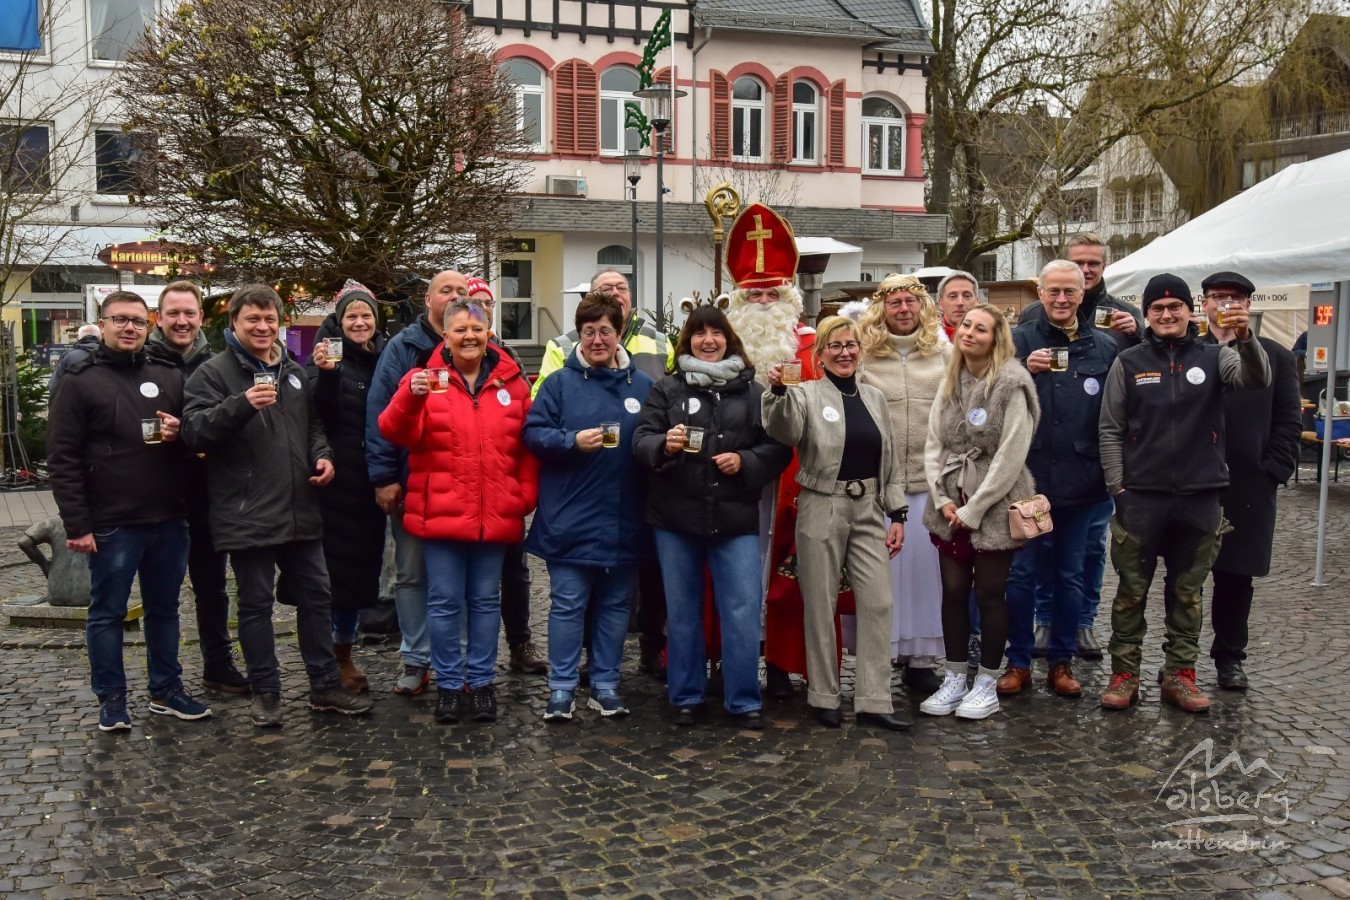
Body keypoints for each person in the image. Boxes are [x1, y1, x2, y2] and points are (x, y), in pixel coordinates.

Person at [184, 283, 373, 727]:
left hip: (299, 506)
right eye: (253, 319)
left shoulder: (292, 370)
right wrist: (241, 405)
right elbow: (194, 432)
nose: (263, 327)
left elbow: (312, 426)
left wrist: (323, 456)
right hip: (246, 510)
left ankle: (324, 686)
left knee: (318, 597)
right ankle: (266, 692)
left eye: (270, 319)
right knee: (255, 605)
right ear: (234, 322)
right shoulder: (212, 373)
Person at [1097, 273, 1270, 713]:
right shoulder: (1129, 362)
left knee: (1188, 593)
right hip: (1140, 497)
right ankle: (1125, 673)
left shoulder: (1216, 356)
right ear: (1147, 314)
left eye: (1175, 307)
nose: (1167, 314)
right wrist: (1118, 485)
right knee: (1130, 592)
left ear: (1190, 311)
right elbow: (1111, 428)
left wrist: (1246, 337)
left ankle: (1180, 674)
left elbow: (1255, 379)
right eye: (1157, 308)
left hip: (1200, 495)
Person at [47, 290, 210, 732]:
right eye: (119, 319)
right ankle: (112, 698)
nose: (129, 328)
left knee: (165, 609)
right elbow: (62, 458)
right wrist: (77, 524)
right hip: (112, 521)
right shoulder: (79, 379)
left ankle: (166, 690)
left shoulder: (168, 373)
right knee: (107, 613)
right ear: (102, 324)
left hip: (169, 517)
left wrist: (182, 432)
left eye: (138, 321)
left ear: (148, 325)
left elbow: (197, 437)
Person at [379, 298, 538, 724]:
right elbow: (393, 430)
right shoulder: (423, 380)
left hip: (496, 513)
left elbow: (526, 447)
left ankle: (481, 682)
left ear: (489, 334)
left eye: (477, 329)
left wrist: (524, 496)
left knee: (485, 602)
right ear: (445, 336)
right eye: (461, 329)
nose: (470, 336)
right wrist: (409, 398)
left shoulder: (512, 382)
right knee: (445, 602)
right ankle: (450, 684)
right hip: (441, 514)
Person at [633, 304, 792, 729]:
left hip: (734, 518)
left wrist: (746, 461)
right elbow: (641, 440)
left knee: (741, 609)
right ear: (688, 340)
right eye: (699, 333)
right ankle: (687, 696)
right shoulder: (667, 389)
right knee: (683, 610)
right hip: (675, 517)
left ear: (728, 340)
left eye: (716, 333)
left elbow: (778, 447)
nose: (708, 340)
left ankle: (743, 699)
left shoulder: (753, 392)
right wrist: (663, 445)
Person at [762, 316, 910, 731]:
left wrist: (897, 512)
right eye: (835, 345)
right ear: (820, 354)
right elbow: (784, 430)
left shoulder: (874, 397)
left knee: (878, 602)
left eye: (851, 345)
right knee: (820, 603)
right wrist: (778, 391)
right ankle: (824, 695)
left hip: (868, 508)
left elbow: (890, 459)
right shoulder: (805, 394)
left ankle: (874, 699)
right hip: (821, 504)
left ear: (860, 350)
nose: (845, 352)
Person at [1159, 271, 1300, 691]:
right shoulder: (1187, 351)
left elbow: (1289, 420)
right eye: (1217, 296)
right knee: (1183, 574)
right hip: (1191, 481)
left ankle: (1230, 656)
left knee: (1236, 576)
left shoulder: (1275, 355)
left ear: (1248, 305)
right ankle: (1179, 656)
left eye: (1235, 297)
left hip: (1248, 483)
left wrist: (1272, 470)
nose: (1226, 303)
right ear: (1203, 303)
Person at [533, 269, 673, 678]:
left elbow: (656, 432)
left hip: (627, 513)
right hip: (572, 514)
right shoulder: (559, 380)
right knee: (569, 602)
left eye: (605, 332)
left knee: (617, 603)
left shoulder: (643, 382)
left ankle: (607, 679)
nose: (597, 340)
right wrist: (571, 441)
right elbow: (534, 432)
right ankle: (563, 683)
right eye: (589, 332)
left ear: (618, 333)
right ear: (579, 334)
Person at [1019, 233, 1141, 661]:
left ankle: (1083, 623)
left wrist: (1138, 335)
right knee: (1039, 550)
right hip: (1039, 462)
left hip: (1090, 463)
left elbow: (1133, 385)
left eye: (1093, 265)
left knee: (1088, 549)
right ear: (1043, 290)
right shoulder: (1029, 322)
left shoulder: (1121, 318)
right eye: (1079, 263)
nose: (1086, 271)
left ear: (1101, 270)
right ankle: (1044, 618)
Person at [1001, 261, 1118, 700]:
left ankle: (1061, 662)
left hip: (1079, 482)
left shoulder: (1104, 346)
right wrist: (1021, 371)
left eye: (1070, 291)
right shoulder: (1016, 342)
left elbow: (1115, 415)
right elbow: (986, 399)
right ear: (1041, 292)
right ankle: (1018, 661)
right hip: (1029, 482)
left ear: (1083, 293)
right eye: (1054, 291)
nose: (1062, 299)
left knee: (1070, 575)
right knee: (1022, 575)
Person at [721, 202, 822, 699]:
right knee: (734, 565)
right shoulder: (717, 345)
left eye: (771, 293)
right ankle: (729, 656)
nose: (762, 302)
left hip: (791, 475)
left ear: (788, 297)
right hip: (734, 474)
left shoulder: (810, 345)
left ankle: (782, 662)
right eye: (753, 294)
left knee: (785, 564)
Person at [919, 304, 1039, 721]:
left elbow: (1012, 452)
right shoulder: (951, 378)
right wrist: (941, 498)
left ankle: (986, 681)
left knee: (989, 593)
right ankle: (954, 676)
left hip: (995, 502)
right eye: (966, 325)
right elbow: (934, 443)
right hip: (951, 498)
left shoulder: (1012, 382)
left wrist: (977, 507)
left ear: (996, 338)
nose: (969, 333)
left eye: (980, 329)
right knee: (953, 591)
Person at [145, 280, 250, 695]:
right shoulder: (141, 362)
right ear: (159, 318)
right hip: (159, 494)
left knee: (213, 587)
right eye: (173, 313)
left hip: (210, 493)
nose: (182, 321)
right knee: (162, 594)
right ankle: (164, 678)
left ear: (201, 318)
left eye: (189, 313)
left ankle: (218, 666)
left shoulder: (218, 364)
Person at [366, 270, 468, 696]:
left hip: (462, 485)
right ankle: (416, 657)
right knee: (410, 575)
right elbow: (380, 413)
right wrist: (384, 477)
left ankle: (458, 660)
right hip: (411, 483)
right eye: (446, 290)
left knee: (459, 578)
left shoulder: (479, 342)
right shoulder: (403, 347)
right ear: (428, 299)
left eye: (462, 291)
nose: (455, 296)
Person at [857, 274, 951, 695]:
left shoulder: (943, 354)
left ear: (923, 307)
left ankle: (921, 659)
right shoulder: (864, 355)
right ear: (882, 308)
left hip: (929, 482)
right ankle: (878, 653)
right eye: (894, 302)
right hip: (882, 486)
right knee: (881, 575)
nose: (904, 309)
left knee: (925, 577)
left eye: (911, 301)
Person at [308, 279, 388, 693]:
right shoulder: (325, 354)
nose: (359, 322)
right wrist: (327, 374)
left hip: (371, 479)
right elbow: (319, 412)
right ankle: (329, 657)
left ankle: (344, 649)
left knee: (361, 574)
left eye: (366, 315)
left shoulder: (385, 356)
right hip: (335, 480)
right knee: (332, 575)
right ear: (339, 321)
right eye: (352, 316)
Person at [466, 276, 546, 676]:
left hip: (504, 485)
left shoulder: (508, 357)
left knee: (515, 571)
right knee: (467, 579)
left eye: (488, 303)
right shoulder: (447, 358)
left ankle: (519, 641)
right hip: (466, 488)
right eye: (475, 302)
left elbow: (525, 422)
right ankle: (466, 656)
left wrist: (525, 488)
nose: (483, 309)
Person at [47, 323, 101, 393]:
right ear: (99, 337)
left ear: (78, 338)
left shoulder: (68, 357)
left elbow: (54, 386)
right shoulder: (108, 355)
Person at [936, 271, 981, 342]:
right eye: (953, 296)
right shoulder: (925, 340)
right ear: (941, 304)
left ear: (977, 302)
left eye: (967, 296)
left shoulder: (991, 339)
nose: (960, 302)